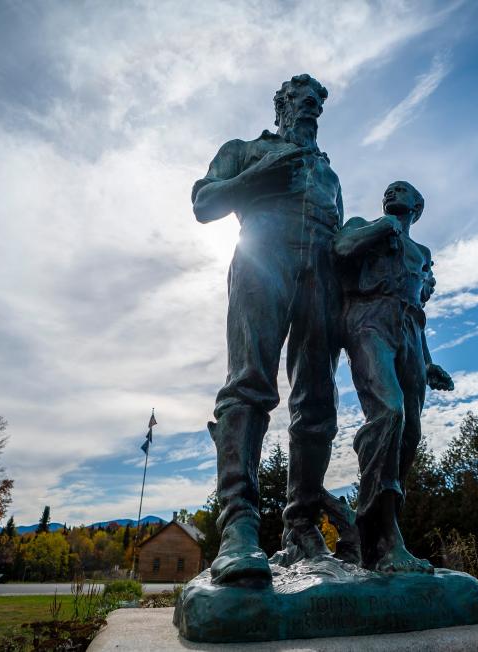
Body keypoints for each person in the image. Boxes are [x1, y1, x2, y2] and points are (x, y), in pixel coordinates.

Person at [191, 75, 343, 586]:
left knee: (319, 400)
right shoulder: (245, 149)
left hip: (322, 274)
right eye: (302, 101)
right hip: (263, 256)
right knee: (250, 382)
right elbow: (203, 203)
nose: (311, 109)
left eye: (318, 103)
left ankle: (302, 528)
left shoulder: (330, 174)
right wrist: (257, 178)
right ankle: (238, 529)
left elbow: (343, 238)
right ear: (280, 106)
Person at [333, 180, 454, 573]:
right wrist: (383, 227)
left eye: (401, 191)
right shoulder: (361, 225)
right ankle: (384, 537)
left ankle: (377, 526)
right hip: (369, 321)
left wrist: (429, 360)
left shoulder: (422, 254)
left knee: (410, 432)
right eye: (388, 190)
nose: (391, 193)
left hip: (411, 335)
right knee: (389, 412)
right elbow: (341, 249)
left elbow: (416, 306)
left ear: (417, 206)